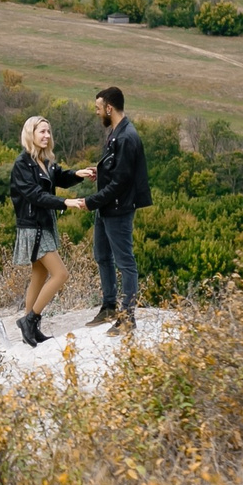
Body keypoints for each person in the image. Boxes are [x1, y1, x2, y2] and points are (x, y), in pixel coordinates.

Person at [75, 85, 151, 332]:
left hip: (118, 209)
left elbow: (121, 184)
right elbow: (117, 173)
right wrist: (102, 173)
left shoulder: (127, 136)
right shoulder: (116, 132)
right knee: (102, 256)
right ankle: (109, 307)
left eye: (98, 108)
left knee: (125, 262)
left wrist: (91, 201)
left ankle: (128, 318)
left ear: (109, 107)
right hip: (107, 208)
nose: (97, 113)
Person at [8, 114, 83, 347]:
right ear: (30, 134)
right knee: (61, 274)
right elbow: (35, 195)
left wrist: (79, 174)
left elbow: (60, 176)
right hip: (33, 227)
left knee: (39, 275)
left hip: (44, 225)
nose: (46, 136)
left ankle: (30, 328)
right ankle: (30, 320)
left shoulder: (45, 161)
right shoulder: (23, 164)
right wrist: (65, 202)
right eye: (42, 131)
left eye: (48, 132)